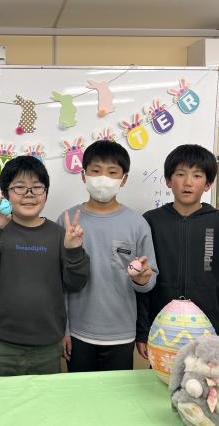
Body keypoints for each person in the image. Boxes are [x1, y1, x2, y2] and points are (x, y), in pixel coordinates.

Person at [136, 144, 219, 359]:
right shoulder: (151, 221)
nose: (188, 182)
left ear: (208, 184)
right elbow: (143, 279)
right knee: (165, 379)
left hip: (208, 328)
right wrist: (142, 331)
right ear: (168, 180)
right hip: (163, 328)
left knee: (208, 378)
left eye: (197, 175)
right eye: (180, 174)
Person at [0, 156, 90, 376]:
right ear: (5, 194)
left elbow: (76, 283)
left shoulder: (59, 235)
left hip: (48, 346)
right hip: (1, 345)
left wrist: (73, 250)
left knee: (45, 400)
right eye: (19, 187)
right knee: (1, 399)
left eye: (37, 187)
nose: (29, 194)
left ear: (46, 193)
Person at [60, 140, 157, 372]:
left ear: (123, 179)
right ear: (83, 175)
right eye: (95, 170)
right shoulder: (67, 221)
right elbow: (58, 282)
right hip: (78, 333)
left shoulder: (137, 224)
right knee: (80, 393)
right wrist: (63, 330)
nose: (103, 179)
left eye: (112, 172)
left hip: (121, 333)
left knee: (117, 395)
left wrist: (142, 279)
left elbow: (149, 279)